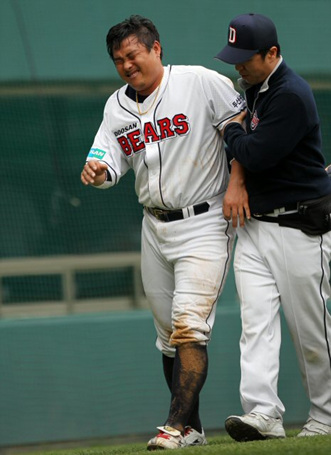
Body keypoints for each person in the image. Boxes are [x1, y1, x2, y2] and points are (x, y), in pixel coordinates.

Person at [81, 15, 245, 450]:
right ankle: (191, 427)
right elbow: (107, 160)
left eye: (132, 55)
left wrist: (238, 182)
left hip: (205, 219)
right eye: (118, 60)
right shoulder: (116, 105)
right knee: (168, 337)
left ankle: (172, 427)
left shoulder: (200, 82)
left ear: (156, 49)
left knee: (189, 326)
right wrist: (98, 171)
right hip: (153, 225)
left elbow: (242, 132)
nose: (126, 65)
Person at [214, 12, 331, 441]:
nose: (238, 65)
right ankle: (264, 413)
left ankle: (326, 415)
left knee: (310, 331)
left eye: (246, 58)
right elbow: (248, 153)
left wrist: (230, 130)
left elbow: (256, 153)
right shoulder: (253, 87)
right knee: (255, 323)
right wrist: (239, 162)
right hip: (256, 227)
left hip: (300, 226)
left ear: (273, 54)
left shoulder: (289, 94)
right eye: (234, 57)